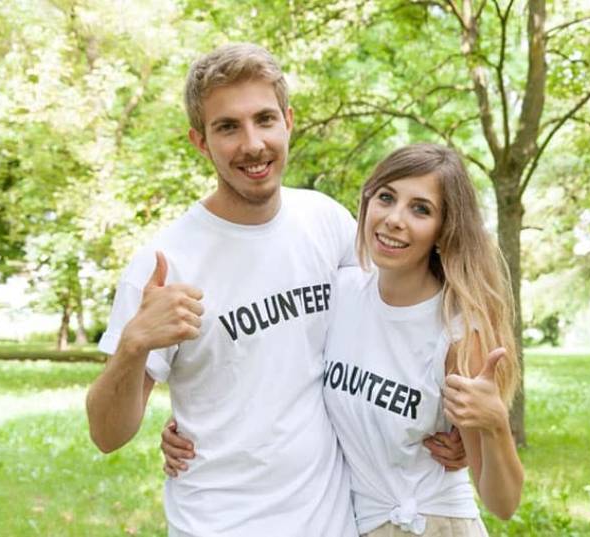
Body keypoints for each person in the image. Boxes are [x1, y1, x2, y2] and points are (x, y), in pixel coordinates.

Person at [86, 44, 460, 537]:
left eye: (264, 119)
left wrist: (460, 430)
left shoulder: (326, 221)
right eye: (227, 127)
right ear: (200, 142)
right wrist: (134, 346)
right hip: (217, 523)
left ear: (288, 120)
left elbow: (395, 324)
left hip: (332, 521)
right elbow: (107, 435)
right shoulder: (164, 263)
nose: (253, 143)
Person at [163, 143, 524, 536]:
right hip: (353, 523)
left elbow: (502, 502)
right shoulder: (341, 291)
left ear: (444, 231)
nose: (394, 219)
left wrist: (495, 425)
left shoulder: (454, 333)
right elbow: (274, 359)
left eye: (421, 209)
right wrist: (196, 422)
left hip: (433, 524)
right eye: (386, 198)